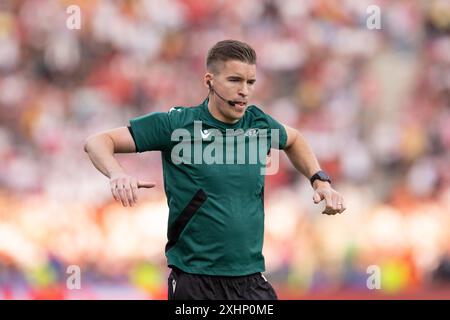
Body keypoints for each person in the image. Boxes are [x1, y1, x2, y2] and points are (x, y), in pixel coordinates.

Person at [84, 39, 346, 300]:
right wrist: (117, 173)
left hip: (251, 280)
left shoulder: (258, 122)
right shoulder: (178, 125)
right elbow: (97, 142)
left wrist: (319, 180)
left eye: (250, 82)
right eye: (234, 80)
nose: (244, 90)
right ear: (210, 80)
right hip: (195, 281)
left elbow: (294, 139)